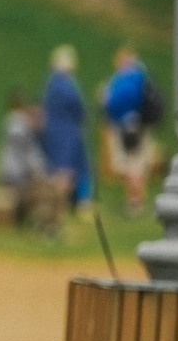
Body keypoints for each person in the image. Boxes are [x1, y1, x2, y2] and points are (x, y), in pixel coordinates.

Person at [101, 46, 164, 219]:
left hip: (130, 127)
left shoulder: (124, 81)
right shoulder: (142, 77)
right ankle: (139, 200)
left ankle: (134, 202)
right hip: (144, 126)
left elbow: (111, 103)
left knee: (132, 163)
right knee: (139, 163)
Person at [40, 45, 91, 214]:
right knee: (66, 170)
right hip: (67, 132)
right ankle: (63, 205)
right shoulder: (67, 85)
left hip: (54, 131)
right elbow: (79, 107)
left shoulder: (51, 83)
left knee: (59, 168)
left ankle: (58, 204)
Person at [0, 89, 52, 234]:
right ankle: (44, 227)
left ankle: (44, 225)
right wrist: (42, 176)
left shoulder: (28, 131)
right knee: (45, 192)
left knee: (47, 189)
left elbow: (34, 157)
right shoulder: (20, 128)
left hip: (18, 177)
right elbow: (27, 157)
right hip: (15, 178)